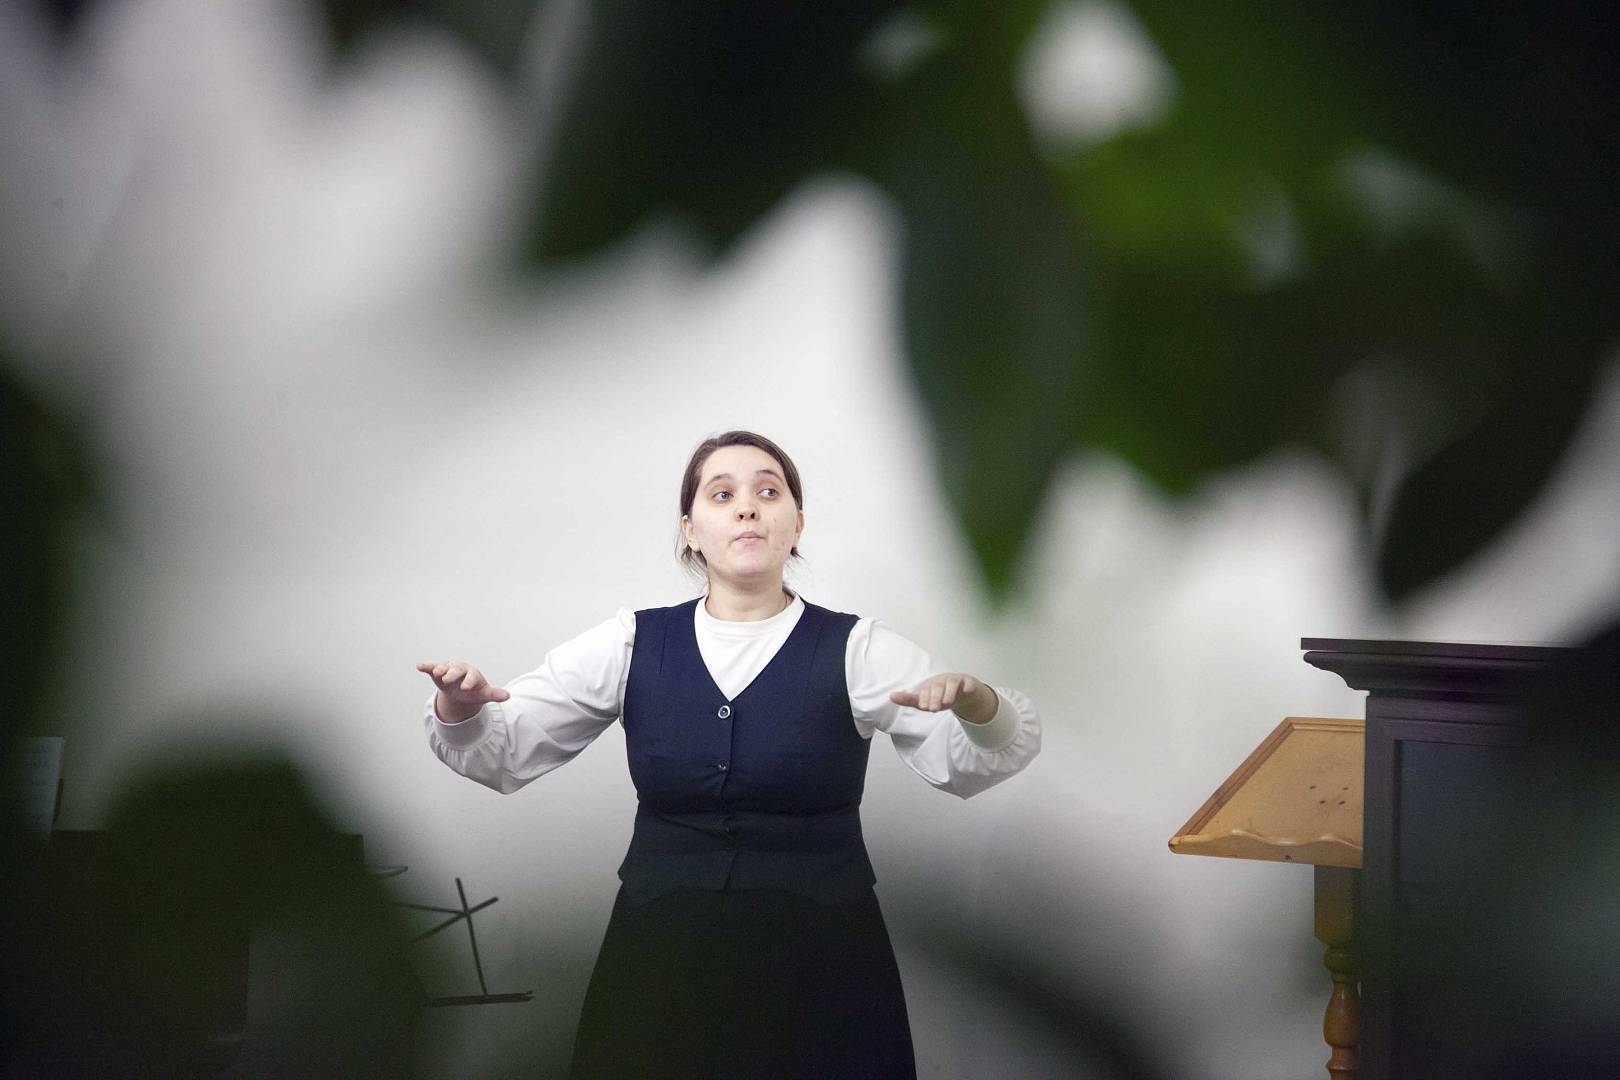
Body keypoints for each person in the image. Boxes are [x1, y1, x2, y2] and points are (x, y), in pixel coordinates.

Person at [418, 430, 1041, 1079]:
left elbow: (970, 760)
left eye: (768, 492)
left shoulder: (856, 648)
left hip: (824, 969)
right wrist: (460, 709)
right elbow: (505, 746)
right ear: (690, 530)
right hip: (660, 966)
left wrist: (980, 706)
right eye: (722, 494)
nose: (747, 506)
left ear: (796, 524)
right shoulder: (631, 643)